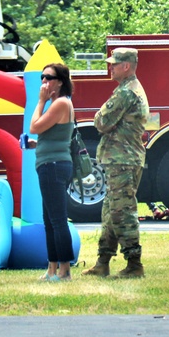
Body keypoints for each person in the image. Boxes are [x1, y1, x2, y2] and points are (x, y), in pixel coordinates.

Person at [83, 48, 149, 278]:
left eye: (114, 64)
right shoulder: (128, 89)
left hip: (123, 160)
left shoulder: (126, 93)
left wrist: (100, 115)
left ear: (126, 66)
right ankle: (103, 262)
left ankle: (134, 264)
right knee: (110, 212)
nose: (110, 67)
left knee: (122, 212)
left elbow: (101, 122)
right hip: (122, 159)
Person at [29, 62, 76, 282]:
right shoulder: (57, 104)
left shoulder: (59, 104)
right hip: (50, 164)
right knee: (49, 220)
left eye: (49, 78)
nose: (44, 82)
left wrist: (40, 101)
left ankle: (64, 271)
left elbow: (35, 126)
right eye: (42, 78)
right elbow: (47, 134)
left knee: (57, 220)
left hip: (53, 166)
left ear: (60, 82)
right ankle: (51, 269)